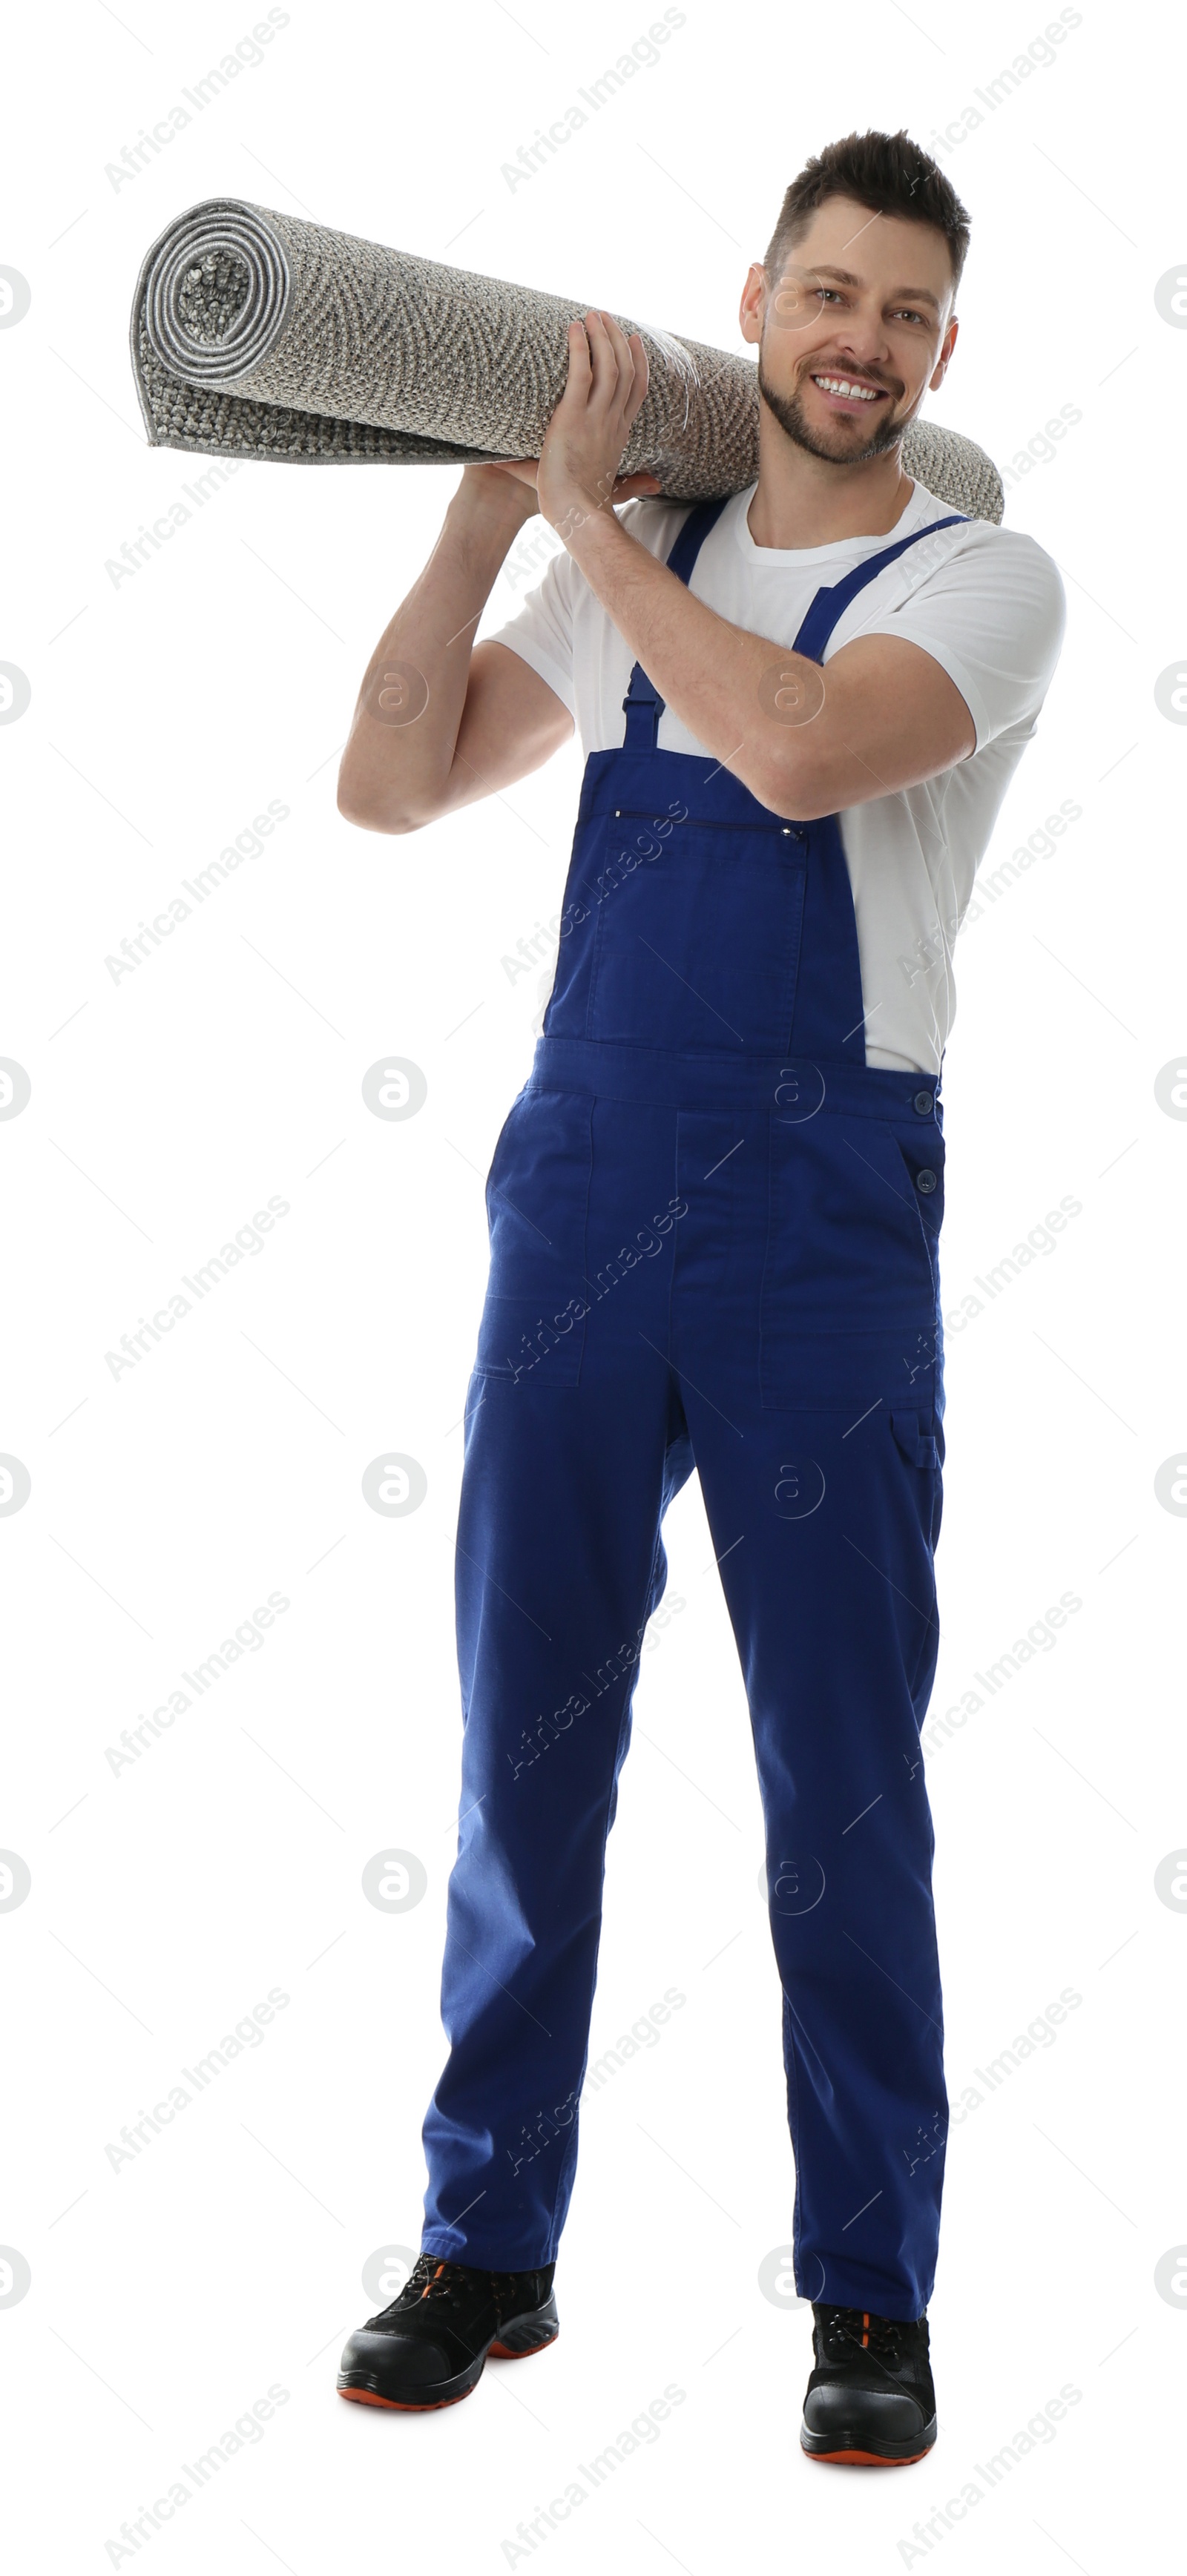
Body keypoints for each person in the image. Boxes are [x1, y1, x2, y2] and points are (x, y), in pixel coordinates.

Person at [333, 128, 1065, 2463]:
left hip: (819, 1235)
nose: (862, 343)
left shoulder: (987, 577)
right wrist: (479, 521)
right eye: (828, 295)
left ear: (944, 352)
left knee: (839, 1778)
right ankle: (487, 2238)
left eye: (907, 315)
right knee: (522, 1738)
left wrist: (574, 525)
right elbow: (388, 787)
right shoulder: (630, 550)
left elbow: (781, 744)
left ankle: (871, 2284)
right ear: (755, 302)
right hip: (582, 1200)